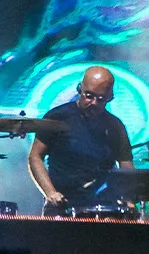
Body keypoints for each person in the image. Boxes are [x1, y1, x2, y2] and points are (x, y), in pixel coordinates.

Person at [28, 65, 134, 213]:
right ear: (80, 89)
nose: (94, 103)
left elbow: (126, 166)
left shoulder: (115, 126)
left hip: (103, 207)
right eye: (89, 96)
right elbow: (35, 156)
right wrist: (50, 192)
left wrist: (129, 198)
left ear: (110, 98)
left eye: (101, 99)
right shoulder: (57, 117)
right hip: (61, 205)